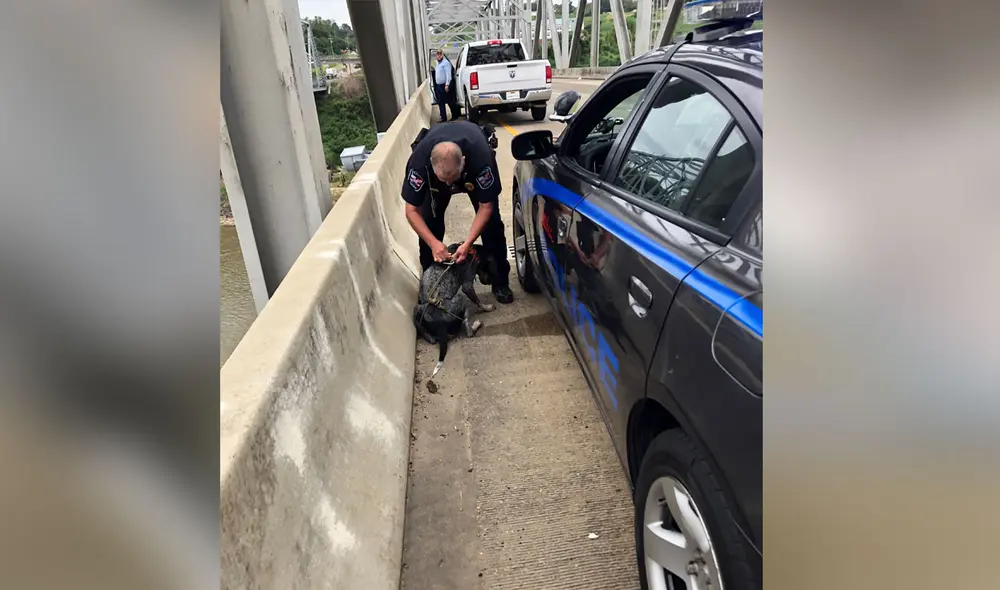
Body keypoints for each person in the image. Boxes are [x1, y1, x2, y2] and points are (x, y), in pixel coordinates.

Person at [400, 121, 514, 304]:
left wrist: (467, 243)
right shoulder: (419, 164)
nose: (449, 185)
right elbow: (411, 211)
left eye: (452, 179)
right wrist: (434, 243)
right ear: (431, 165)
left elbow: (486, 207)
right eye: (444, 180)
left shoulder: (481, 159)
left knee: (492, 226)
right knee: (430, 224)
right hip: (437, 181)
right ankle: (430, 288)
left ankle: (500, 281)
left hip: (470, 171)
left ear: (464, 161)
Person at [433, 49, 455, 122]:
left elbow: (448, 75)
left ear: (443, 55)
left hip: (444, 85)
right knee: (441, 102)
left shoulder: (446, 63)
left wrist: (447, 84)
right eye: (438, 54)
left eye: (440, 54)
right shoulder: (437, 63)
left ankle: (454, 115)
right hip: (439, 86)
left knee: (449, 101)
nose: (439, 56)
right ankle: (443, 118)